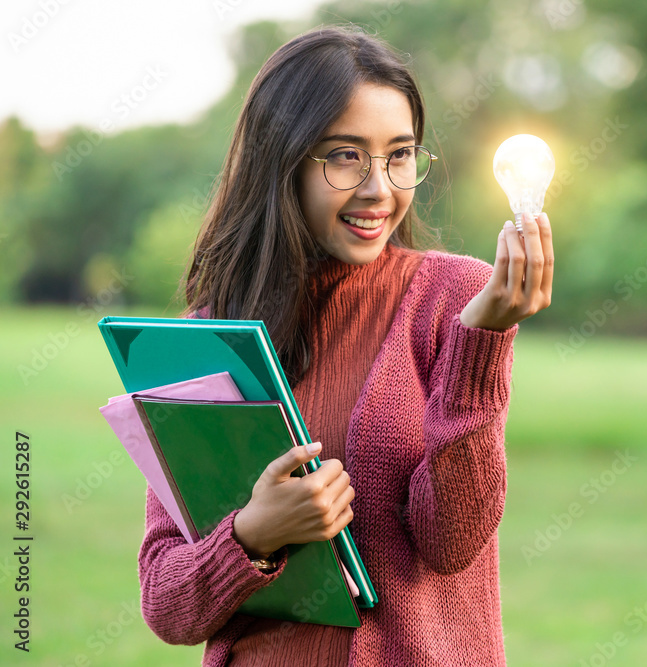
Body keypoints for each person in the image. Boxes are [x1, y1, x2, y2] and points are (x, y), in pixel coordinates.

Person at [136, 24, 553, 667]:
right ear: (283, 161)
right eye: (344, 155)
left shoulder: (453, 301)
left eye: (400, 154)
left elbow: (453, 542)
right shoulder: (204, 339)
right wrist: (254, 534)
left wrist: (483, 343)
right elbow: (167, 604)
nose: (378, 188)